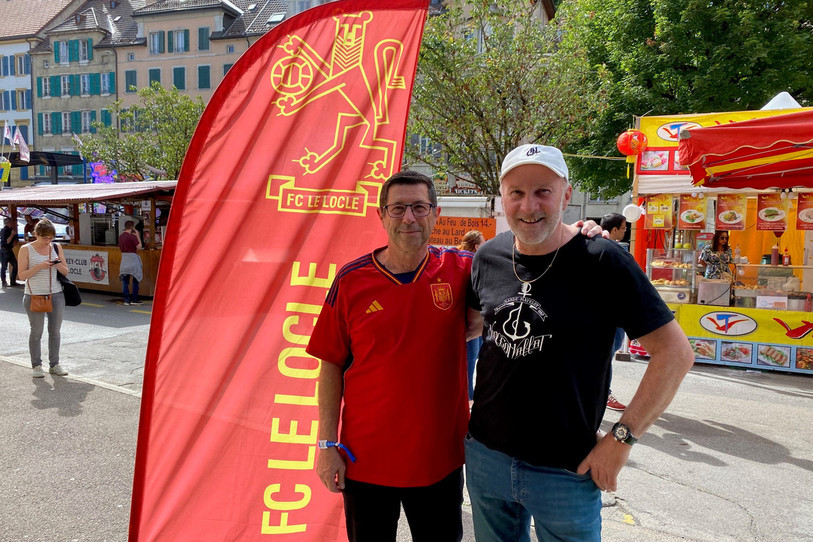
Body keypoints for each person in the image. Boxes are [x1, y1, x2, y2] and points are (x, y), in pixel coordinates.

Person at [465, 144, 694, 542]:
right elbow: (469, 326)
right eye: (516, 192)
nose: (528, 205)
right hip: (486, 458)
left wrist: (621, 440)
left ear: (567, 195)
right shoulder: (488, 255)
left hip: (567, 470)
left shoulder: (602, 260)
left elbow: (675, 353)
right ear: (503, 197)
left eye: (543, 191)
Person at [307, 170, 473, 542]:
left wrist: (581, 236)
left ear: (436, 213)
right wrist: (325, 444)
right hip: (365, 461)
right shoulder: (352, 280)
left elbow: (528, 265)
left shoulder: (463, 270)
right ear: (381, 215)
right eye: (398, 208)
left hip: (439, 460)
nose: (409, 218)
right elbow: (330, 362)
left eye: (419, 207)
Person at [17, 218, 70, 378]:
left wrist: (56, 265)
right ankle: (37, 365)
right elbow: (22, 275)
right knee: (36, 332)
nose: (48, 241)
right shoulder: (26, 249)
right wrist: (40, 266)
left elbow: (65, 271)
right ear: (36, 235)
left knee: (55, 331)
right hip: (34, 295)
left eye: (50, 237)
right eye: (44, 238)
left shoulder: (56, 246)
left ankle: (54, 365)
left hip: (56, 293)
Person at [600, 212, 629, 412]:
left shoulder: (611, 249)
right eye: (624, 227)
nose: (626, 231)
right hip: (608, 316)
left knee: (607, 354)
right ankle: (604, 393)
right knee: (605, 357)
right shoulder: (610, 252)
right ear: (614, 229)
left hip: (611, 315)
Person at [458, 230, 486, 405]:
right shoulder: (470, 263)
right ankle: (468, 398)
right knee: (470, 359)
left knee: (473, 359)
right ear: (476, 246)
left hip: (474, 319)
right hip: (470, 319)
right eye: (483, 243)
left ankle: (470, 395)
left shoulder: (466, 261)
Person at [119, 220, 143, 306]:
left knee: (125, 281)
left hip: (124, 259)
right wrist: (137, 235)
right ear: (132, 227)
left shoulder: (121, 237)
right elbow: (139, 247)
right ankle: (134, 299)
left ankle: (126, 299)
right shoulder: (131, 237)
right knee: (136, 279)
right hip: (132, 259)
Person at [1, 217, 18, 287]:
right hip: (4, 249)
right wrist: (12, 235)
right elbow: (7, 241)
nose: (13, 224)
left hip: (9, 250)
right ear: (8, 223)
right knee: (4, 267)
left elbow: (14, 241)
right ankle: (4, 282)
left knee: (15, 265)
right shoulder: (4, 230)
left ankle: (13, 281)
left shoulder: (12, 230)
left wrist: (15, 239)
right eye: (11, 222)